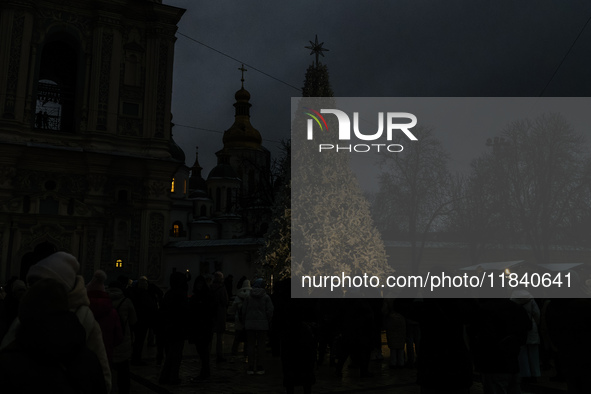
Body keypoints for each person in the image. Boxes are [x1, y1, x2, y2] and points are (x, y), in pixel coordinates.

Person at [0, 252, 112, 392]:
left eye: (41, 283)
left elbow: (103, 375)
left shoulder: (84, 317)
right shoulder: (26, 315)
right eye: (33, 283)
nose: (34, 289)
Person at [87, 270, 123, 365]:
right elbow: (118, 337)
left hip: (83, 356)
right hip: (105, 354)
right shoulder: (112, 312)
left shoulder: (81, 309)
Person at [158, 271, 188, 385]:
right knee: (175, 355)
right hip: (177, 328)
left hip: (168, 328)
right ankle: (172, 377)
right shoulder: (180, 294)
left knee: (171, 354)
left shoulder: (169, 293)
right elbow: (183, 312)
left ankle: (166, 376)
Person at [108, 280, 137, 394]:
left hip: (107, 339)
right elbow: (133, 321)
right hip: (123, 339)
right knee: (123, 369)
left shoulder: (104, 300)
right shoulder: (126, 301)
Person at [241, 278, 274, 375]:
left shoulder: (248, 297)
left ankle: (250, 366)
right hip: (262, 324)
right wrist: (268, 320)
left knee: (250, 346)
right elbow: (270, 311)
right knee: (261, 346)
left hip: (250, 324)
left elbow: (243, 311)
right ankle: (260, 366)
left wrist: (244, 321)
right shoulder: (266, 297)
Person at [188, 275, 215, 380]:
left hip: (204, 327)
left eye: (201, 284)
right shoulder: (196, 297)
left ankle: (205, 371)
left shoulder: (206, 296)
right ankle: (205, 371)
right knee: (201, 351)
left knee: (204, 351)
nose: (199, 286)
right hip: (198, 327)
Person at [229, 279, 251, 362]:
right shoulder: (251, 295)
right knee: (247, 340)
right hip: (248, 320)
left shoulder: (238, 296)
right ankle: (246, 356)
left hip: (239, 320)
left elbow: (233, 308)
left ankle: (233, 355)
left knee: (236, 339)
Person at [210, 271, 228, 362]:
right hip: (220, 313)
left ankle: (208, 353)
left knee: (210, 335)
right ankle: (219, 354)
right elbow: (225, 301)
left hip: (212, 313)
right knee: (219, 336)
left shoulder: (210, 288)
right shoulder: (222, 288)